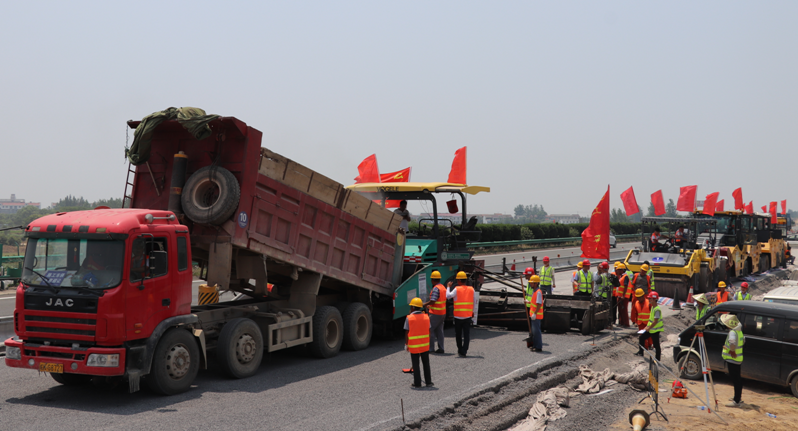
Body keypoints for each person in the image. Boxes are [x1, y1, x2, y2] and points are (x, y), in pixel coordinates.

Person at [405, 297, 433, 388]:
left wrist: (406, 344)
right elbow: (429, 331)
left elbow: (407, 332)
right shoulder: (426, 317)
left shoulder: (409, 318)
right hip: (425, 345)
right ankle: (428, 382)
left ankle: (417, 383)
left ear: (413, 307)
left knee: (416, 364)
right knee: (426, 363)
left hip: (414, 346)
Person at [447, 271, 475, 357]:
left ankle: (460, 349)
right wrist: (472, 312)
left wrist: (448, 287)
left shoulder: (457, 289)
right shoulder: (471, 289)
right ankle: (464, 350)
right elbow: (474, 301)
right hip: (467, 316)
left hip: (458, 316)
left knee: (458, 334)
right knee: (466, 335)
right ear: (465, 280)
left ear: (458, 280)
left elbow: (448, 296)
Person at [721, 314, 745, 407]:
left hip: (732, 359)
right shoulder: (739, 331)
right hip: (738, 359)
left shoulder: (732, 332)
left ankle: (736, 401)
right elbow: (743, 341)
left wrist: (732, 350)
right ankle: (737, 397)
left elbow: (732, 342)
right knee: (737, 379)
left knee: (736, 380)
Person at [423, 270, 447, 353]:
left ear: (432, 280)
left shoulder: (436, 288)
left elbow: (433, 300)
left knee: (430, 330)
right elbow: (440, 301)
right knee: (440, 331)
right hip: (442, 313)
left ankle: (431, 348)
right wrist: (430, 306)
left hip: (435, 313)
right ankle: (441, 348)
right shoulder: (443, 287)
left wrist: (425, 304)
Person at [637, 291, 663, 361]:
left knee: (656, 345)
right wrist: (646, 327)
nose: (648, 299)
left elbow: (655, 321)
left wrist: (649, 327)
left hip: (655, 330)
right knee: (641, 338)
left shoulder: (657, 309)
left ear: (654, 299)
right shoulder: (653, 308)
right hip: (651, 329)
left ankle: (657, 359)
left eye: (650, 298)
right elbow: (651, 320)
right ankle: (641, 352)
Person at [526, 275, 544, 352]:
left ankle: (538, 347)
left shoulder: (538, 292)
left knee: (537, 332)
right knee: (534, 332)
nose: (530, 284)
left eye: (531, 283)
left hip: (536, 316)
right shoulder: (535, 291)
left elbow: (539, 304)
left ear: (536, 283)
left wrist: (535, 314)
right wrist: (529, 302)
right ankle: (535, 346)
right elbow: (535, 303)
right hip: (534, 316)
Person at [613, 263, 633, 327]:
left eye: (618, 269)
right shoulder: (621, 276)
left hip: (624, 297)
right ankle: (621, 323)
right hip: (620, 296)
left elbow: (625, 286)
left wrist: (623, 295)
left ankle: (626, 324)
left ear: (622, 270)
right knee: (620, 310)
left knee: (624, 310)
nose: (617, 271)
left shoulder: (625, 276)